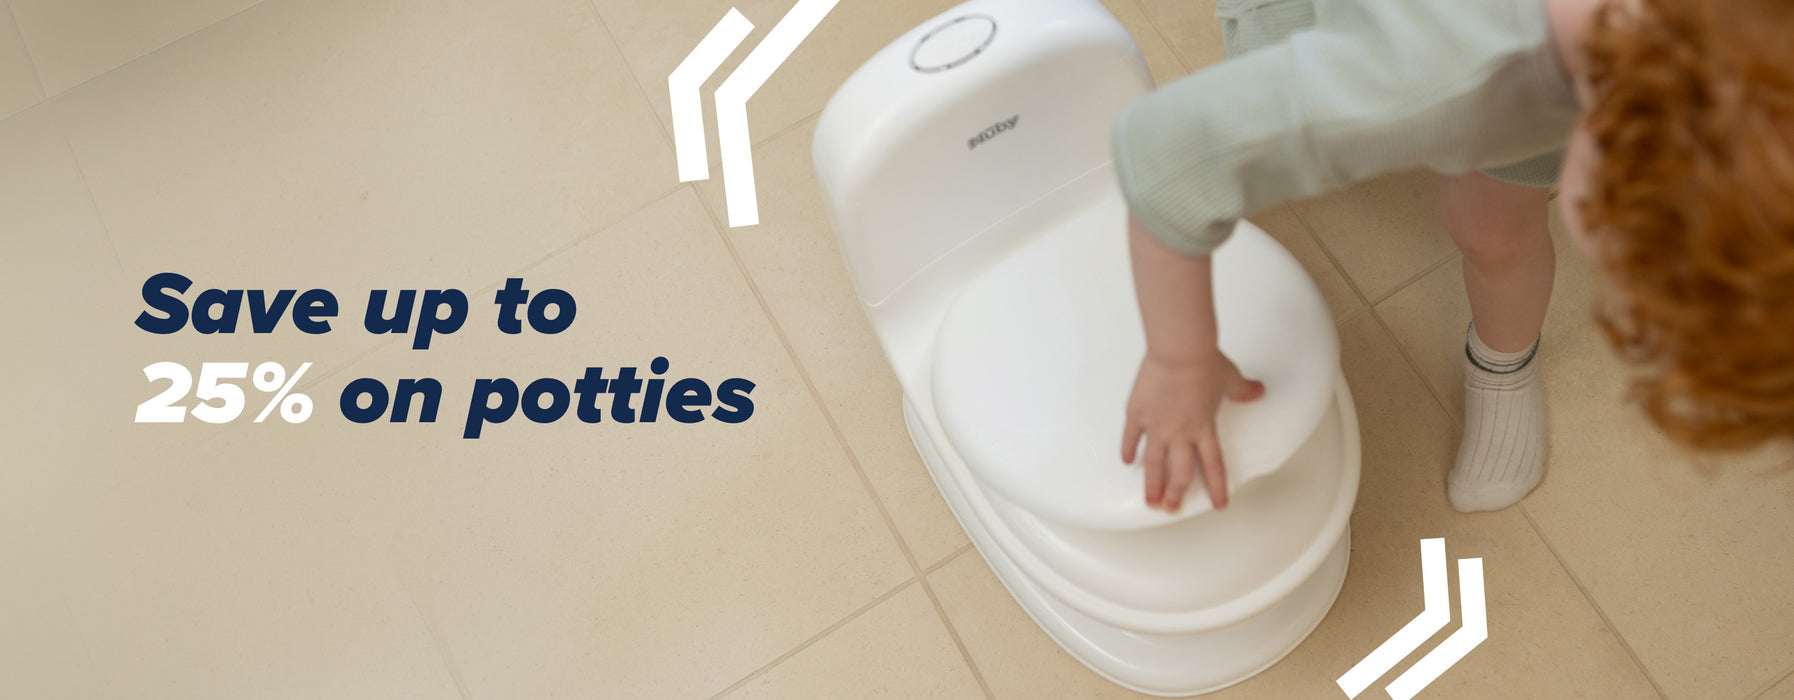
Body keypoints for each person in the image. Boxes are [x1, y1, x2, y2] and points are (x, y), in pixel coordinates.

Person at [1114, 0, 1794, 513]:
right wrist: (1181, 359)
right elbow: (1166, 158)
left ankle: (1504, 363)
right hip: (1435, 54)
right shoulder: (1425, 78)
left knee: (1495, 227)